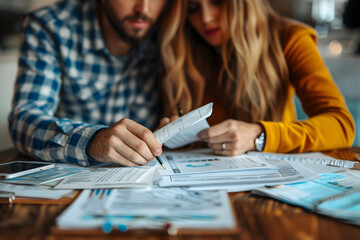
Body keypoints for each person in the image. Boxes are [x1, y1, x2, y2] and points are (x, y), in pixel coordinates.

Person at [158, 0, 355, 156]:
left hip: (272, 185)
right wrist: (176, 136)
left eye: (218, 2)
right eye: (192, 8)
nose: (206, 18)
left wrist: (258, 135)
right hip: (201, 182)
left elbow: (341, 125)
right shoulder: (181, 52)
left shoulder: (290, 39)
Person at [8, 0, 167, 167]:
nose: (143, 9)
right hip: (70, 183)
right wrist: (92, 141)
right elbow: (23, 121)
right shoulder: (50, 25)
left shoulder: (170, 27)